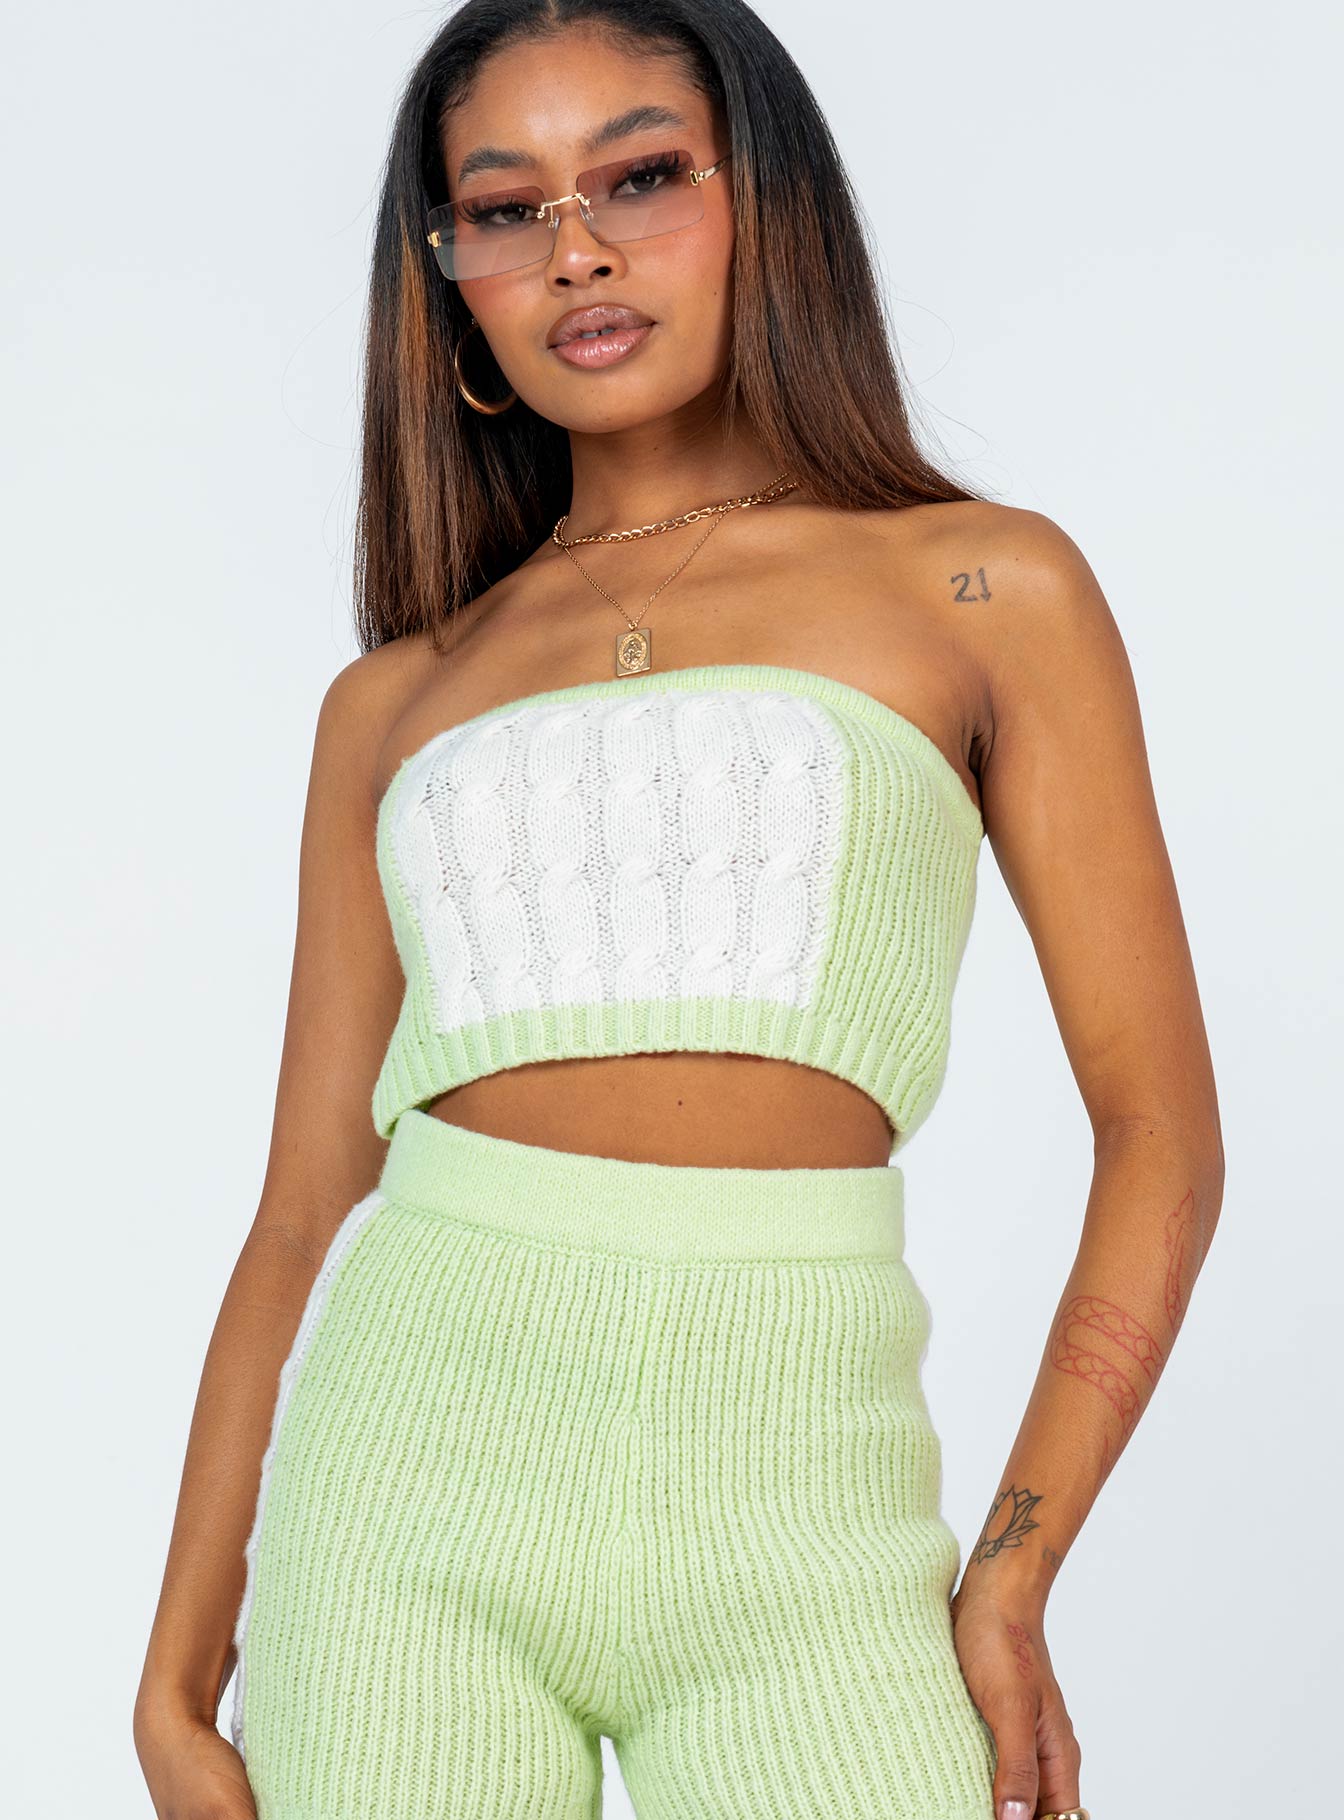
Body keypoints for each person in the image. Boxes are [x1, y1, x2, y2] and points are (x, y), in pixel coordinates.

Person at [132, 3, 1223, 1817]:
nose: (575, 251)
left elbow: (1160, 1134)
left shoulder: (981, 587)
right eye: (505, 209)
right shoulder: (398, 697)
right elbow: (303, 1207)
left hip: (810, 1510)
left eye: (639, 177)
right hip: (401, 1498)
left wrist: (1015, 1572)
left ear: (762, 198)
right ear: (451, 279)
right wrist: (175, 1683)